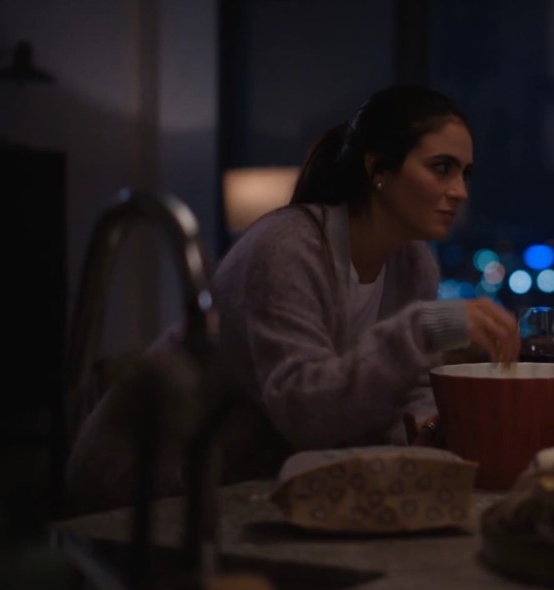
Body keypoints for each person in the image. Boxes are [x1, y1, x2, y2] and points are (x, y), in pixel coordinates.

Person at [67, 84, 519, 511]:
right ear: (377, 169)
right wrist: (424, 327)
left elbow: (408, 384)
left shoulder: (414, 262)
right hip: (146, 488)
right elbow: (304, 411)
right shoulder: (286, 247)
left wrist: (424, 425)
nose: (460, 191)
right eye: (442, 168)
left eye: (465, 173)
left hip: (244, 490)